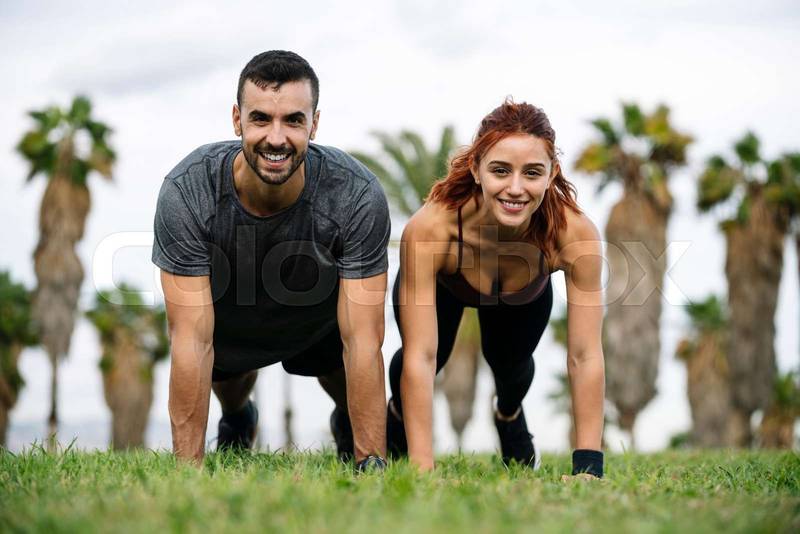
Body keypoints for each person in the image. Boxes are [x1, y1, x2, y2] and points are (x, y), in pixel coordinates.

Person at [152, 50, 390, 471]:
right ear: (236, 120)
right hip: (230, 321)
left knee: (342, 361)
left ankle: (348, 428)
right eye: (261, 118)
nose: (276, 138)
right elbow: (190, 339)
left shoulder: (355, 194)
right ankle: (239, 418)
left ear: (314, 124)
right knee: (227, 381)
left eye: (294, 120)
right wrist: (186, 474)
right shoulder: (188, 191)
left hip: (319, 321)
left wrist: (371, 462)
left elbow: (364, 341)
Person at [386, 100, 605, 478]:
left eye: (532, 172)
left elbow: (584, 355)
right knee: (423, 357)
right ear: (475, 168)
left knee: (512, 369)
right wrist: (422, 471)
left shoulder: (573, 234)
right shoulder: (432, 229)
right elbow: (421, 357)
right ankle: (396, 418)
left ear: (552, 173)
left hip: (523, 297)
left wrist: (589, 468)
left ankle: (508, 415)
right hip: (447, 288)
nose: (515, 188)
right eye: (500, 171)